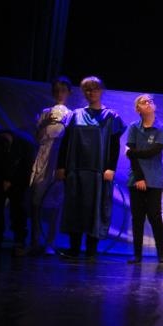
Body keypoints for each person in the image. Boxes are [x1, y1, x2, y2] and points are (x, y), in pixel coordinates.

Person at [56, 76, 126, 259]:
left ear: (101, 91)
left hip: (98, 172)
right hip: (75, 169)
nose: (91, 92)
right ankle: (74, 248)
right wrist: (61, 166)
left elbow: (115, 145)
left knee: (95, 208)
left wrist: (111, 168)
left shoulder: (110, 117)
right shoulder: (75, 115)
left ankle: (91, 250)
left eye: (95, 89)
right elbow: (65, 143)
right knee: (75, 207)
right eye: (87, 89)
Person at [28, 76, 72, 256]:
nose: (59, 94)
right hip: (43, 156)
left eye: (63, 90)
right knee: (36, 200)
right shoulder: (45, 112)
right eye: (56, 91)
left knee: (56, 202)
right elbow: (37, 137)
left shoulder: (71, 115)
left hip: (59, 159)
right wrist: (45, 123)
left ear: (68, 93)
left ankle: (50, 242)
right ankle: (35, 240)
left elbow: (69, 140)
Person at [125, 94, 163, 264]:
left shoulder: (162, 128)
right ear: (138, 109)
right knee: (137, 217)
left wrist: (132, 152)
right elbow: (132, 158)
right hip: (136, 178)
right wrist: (139, 177)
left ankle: (161, 253)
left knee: (155, 216)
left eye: (150, 101)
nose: (149, 103)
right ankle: (137, 254)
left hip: (154, 178)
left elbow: (153, 152)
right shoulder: (133, 127)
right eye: (144, 102)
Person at [0, 128, 36, 256]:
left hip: (19, 176)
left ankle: (19, 241)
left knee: (18, 207)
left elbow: (26, 168)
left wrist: (11, 180)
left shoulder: (26, 145)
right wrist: (3, 179)